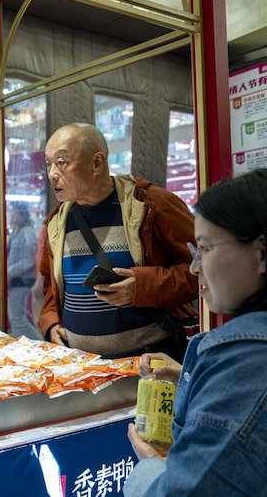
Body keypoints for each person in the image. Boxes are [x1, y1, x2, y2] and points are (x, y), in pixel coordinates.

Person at [124, 168, 267, 496]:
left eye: (204, 248)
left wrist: (151, 468)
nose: (194, 267)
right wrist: (192, 378)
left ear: (261, 253)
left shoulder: (246, 362)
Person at [38, 123, 197, 359]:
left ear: (97, 163)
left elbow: (202, 271)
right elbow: (51, 285)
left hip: (150, 360)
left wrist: (142, 287)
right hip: (82, 366)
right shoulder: (57, 222)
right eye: (49, 163)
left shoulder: (153, 206)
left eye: (61, 163)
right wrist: (50, 322)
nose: (52, 174)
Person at [6, 201, 43, 339]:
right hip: (17, 282)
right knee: (16, 319)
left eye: (14, 211)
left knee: (17, 319)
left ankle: (38, 345)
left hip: (22, 282)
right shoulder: (19, 231)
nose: (11, 215)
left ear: (22, 213)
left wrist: (8, 272)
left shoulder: (27, 233)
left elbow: (28, 260)